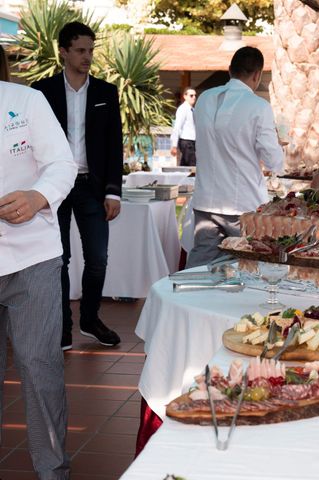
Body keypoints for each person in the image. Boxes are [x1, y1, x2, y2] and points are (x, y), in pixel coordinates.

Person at [0, 80, 77, 478]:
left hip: (32, 256)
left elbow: (62, 164)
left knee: (39, 368)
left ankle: (52, 472)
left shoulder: (26, 101)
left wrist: (38, 197)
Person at [32, 22, 123, 350]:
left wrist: (114, 190)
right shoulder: (40, 92)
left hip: (92, 187)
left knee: (98, 257)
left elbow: (115, 145)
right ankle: (63, 326)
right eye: (81, 51)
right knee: (60, 258)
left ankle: (90, 318)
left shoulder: (105, 92)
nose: (87, 57)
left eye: (91, 50)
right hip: (52, 187)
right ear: (64, 52)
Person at [186, 47, 284, 267]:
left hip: (206, 200)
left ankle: (182, 299)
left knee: (199, 265)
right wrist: (279, 145)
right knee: (248, 265)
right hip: (242, 204)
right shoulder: (259, 107)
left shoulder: (203, 99)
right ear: (257, 75)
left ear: (230, 70)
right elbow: (274, 162)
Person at [170, 86, 197, 166]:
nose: (194, 97)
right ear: (185, 96)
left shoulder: (192, 109)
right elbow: (177, 127)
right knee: (193, 165)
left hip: (192, 141)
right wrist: (174, 145)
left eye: (195, 95)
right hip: (186, 141)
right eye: (191, 95)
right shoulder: (183, 109)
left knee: (185, 166)